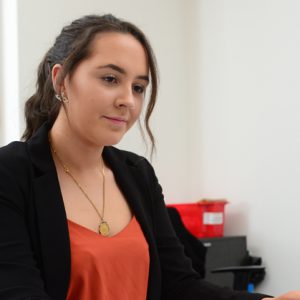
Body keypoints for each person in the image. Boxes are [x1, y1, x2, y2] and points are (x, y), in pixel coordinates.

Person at [0, 14, 299, 300]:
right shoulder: (11, 173)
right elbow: (19, 292)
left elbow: (179, 286)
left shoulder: (137, 173)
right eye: (109, 78)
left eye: (138, 87)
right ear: (61, 80)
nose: (128, 100)